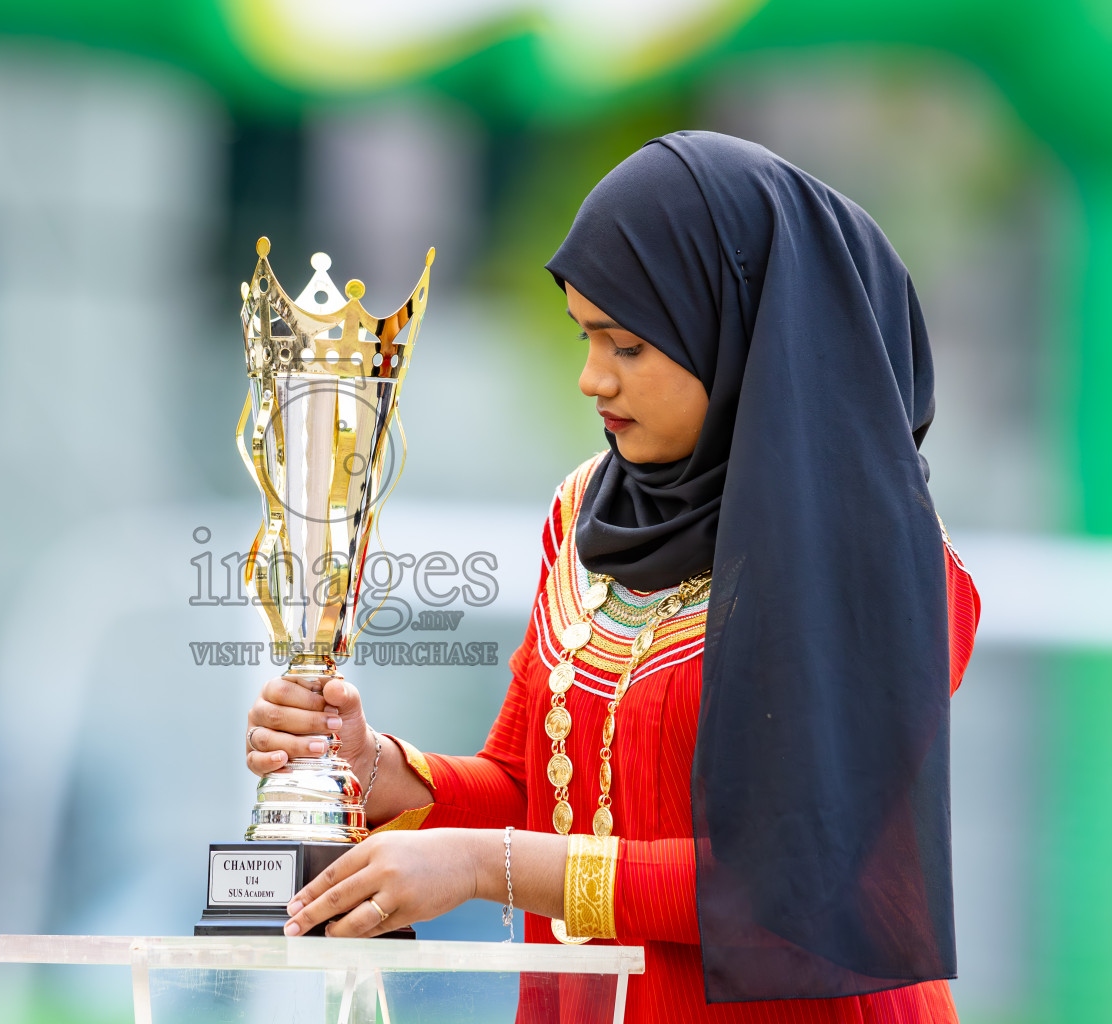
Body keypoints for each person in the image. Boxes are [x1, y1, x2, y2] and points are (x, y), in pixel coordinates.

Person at [243, 130, 981, 1022]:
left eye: (625, 344)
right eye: (585, 336)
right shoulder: (590, 511)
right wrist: (374, 769)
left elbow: (790, 882)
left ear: (735, 332)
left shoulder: (873, 558)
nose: (593, 378)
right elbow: (531, 787)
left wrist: (484, 865)